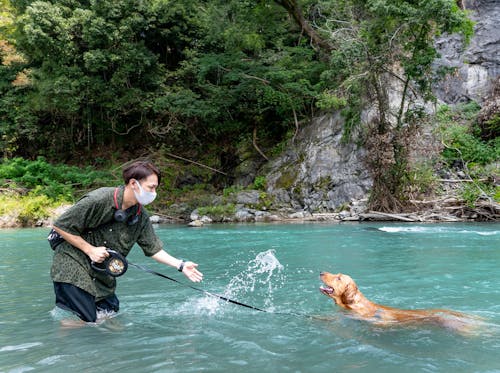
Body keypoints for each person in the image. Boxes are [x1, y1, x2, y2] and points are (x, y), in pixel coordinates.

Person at [50, 160, 203, 323]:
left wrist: (181, 265)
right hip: (72, 266)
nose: (154, 193)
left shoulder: (140, 216)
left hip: (102, 275)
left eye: (156, 188)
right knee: (89, 321)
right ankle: (65, 345)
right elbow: (60, 226)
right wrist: (90, 250)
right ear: (133, 183)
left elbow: (154, 249)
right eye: (151, 187)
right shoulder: (99, 199)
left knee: (110, 318)